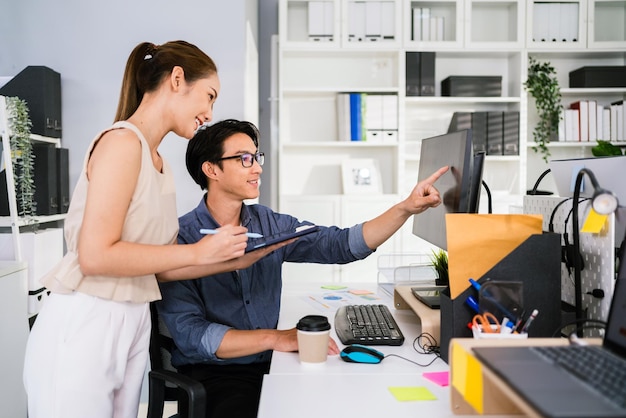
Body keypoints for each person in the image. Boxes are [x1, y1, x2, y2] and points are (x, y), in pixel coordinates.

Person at [22, 41, 284, 418]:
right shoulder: (121, 143)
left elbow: (154, 266)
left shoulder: (159, 161)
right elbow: (95, 256)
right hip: (88, 320)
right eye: (208, 96)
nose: (209, 113)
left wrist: (232, 262)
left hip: (131, 319)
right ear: (177, 79)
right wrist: (197, 252)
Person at [156, 118, 448, 418]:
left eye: (257, 157)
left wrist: (405, 208)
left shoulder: (268, 223)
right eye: (244, 159)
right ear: (212, 169)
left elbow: (339, 245)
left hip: (273, 363)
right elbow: (193, 335)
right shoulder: (182, 239)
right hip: (216, 373)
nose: (257, 167)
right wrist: (275, 337)